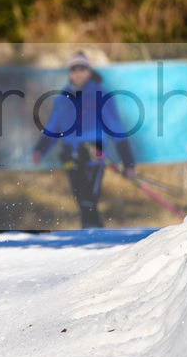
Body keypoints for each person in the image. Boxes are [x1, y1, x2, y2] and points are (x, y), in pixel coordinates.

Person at [31, 52, 135, 228]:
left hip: (95, 157)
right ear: (69, 72)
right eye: (73, 68)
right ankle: (92, 240)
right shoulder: (62, 99)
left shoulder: (101, 96)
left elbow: (116, 129)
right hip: (71, 157)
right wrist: (39, 149)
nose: (78, 72)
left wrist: (128, 162)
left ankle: (95, 242)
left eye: (82, 68)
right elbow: (53, 128)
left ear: (89, 70)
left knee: (88, 201)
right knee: (82, 202)